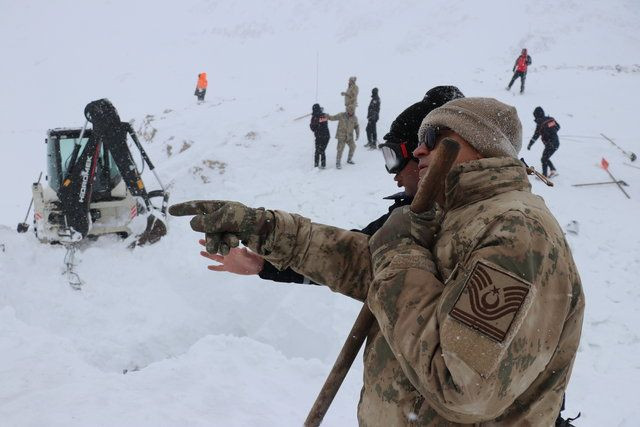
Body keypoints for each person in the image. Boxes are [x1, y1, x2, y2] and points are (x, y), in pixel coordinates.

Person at [170, 96, 584, 425]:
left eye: (435, 135)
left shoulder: (517, 234)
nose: (420, 149)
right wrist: (263, 228)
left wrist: (399, 251)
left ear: (483, 143)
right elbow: (368, 268)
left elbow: (462, 387)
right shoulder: (451, 217)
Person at [197, 85, 464, 289]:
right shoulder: (414, 217)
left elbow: (353, 263)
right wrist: (263, 263)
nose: (393, 176)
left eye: (393, 157)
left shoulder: (469, 224)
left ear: (429, 150)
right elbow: (349, 258)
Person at [528, 106, 561, 178]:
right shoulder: (550, 119)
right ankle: (553, 170)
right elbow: (558, 127)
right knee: (545, 158)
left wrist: (530, 144)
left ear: (536, 115)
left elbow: (535, 136)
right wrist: (553, 133)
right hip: (556, 143)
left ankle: (544, 175)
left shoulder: (540, 124)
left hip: (550, 144)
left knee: (544, 159)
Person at [309, 103, 330, 168]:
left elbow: (322, 125)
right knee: (317, 151)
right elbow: (313, 128)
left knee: (322, 150)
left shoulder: (323, 116)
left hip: (325, 136)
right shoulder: (313, 117)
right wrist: (312, 123)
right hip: (318, 136)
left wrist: (316, 120)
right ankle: (316, 165)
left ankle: (323, 165)